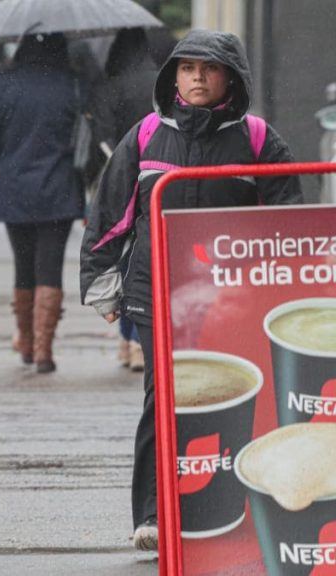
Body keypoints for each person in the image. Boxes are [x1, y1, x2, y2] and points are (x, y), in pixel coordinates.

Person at [79, 30, 302, 552]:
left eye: (209, 68)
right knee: (163, 398)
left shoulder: (258, 140)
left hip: (235, 299)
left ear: (232, 77)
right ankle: (153, 514)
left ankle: (242, 507)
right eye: (186, 68)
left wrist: (288, 283)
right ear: (172, 77)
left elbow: (288, 222)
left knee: (238, 399)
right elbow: (110, 215)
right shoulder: (146, 135)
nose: (197, 77)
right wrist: (101, 284)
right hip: (157, 291)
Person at [0, 33, 85, 374]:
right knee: (50, 266)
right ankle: (43, 351)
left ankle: (24, 340)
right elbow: (85, 138)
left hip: (15, 187)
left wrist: (3, 164)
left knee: (23, 265)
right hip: (59, 186)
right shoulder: (71, 84)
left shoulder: (4, 83)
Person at [89, 27, 161, 372]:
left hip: (122, 181)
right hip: (159, 177)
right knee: (148, 256)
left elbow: (101, 136)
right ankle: (137, 339)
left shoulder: (111, 86)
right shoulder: (162, 83)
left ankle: (127, 338)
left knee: (125, 257)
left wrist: (117, 165)